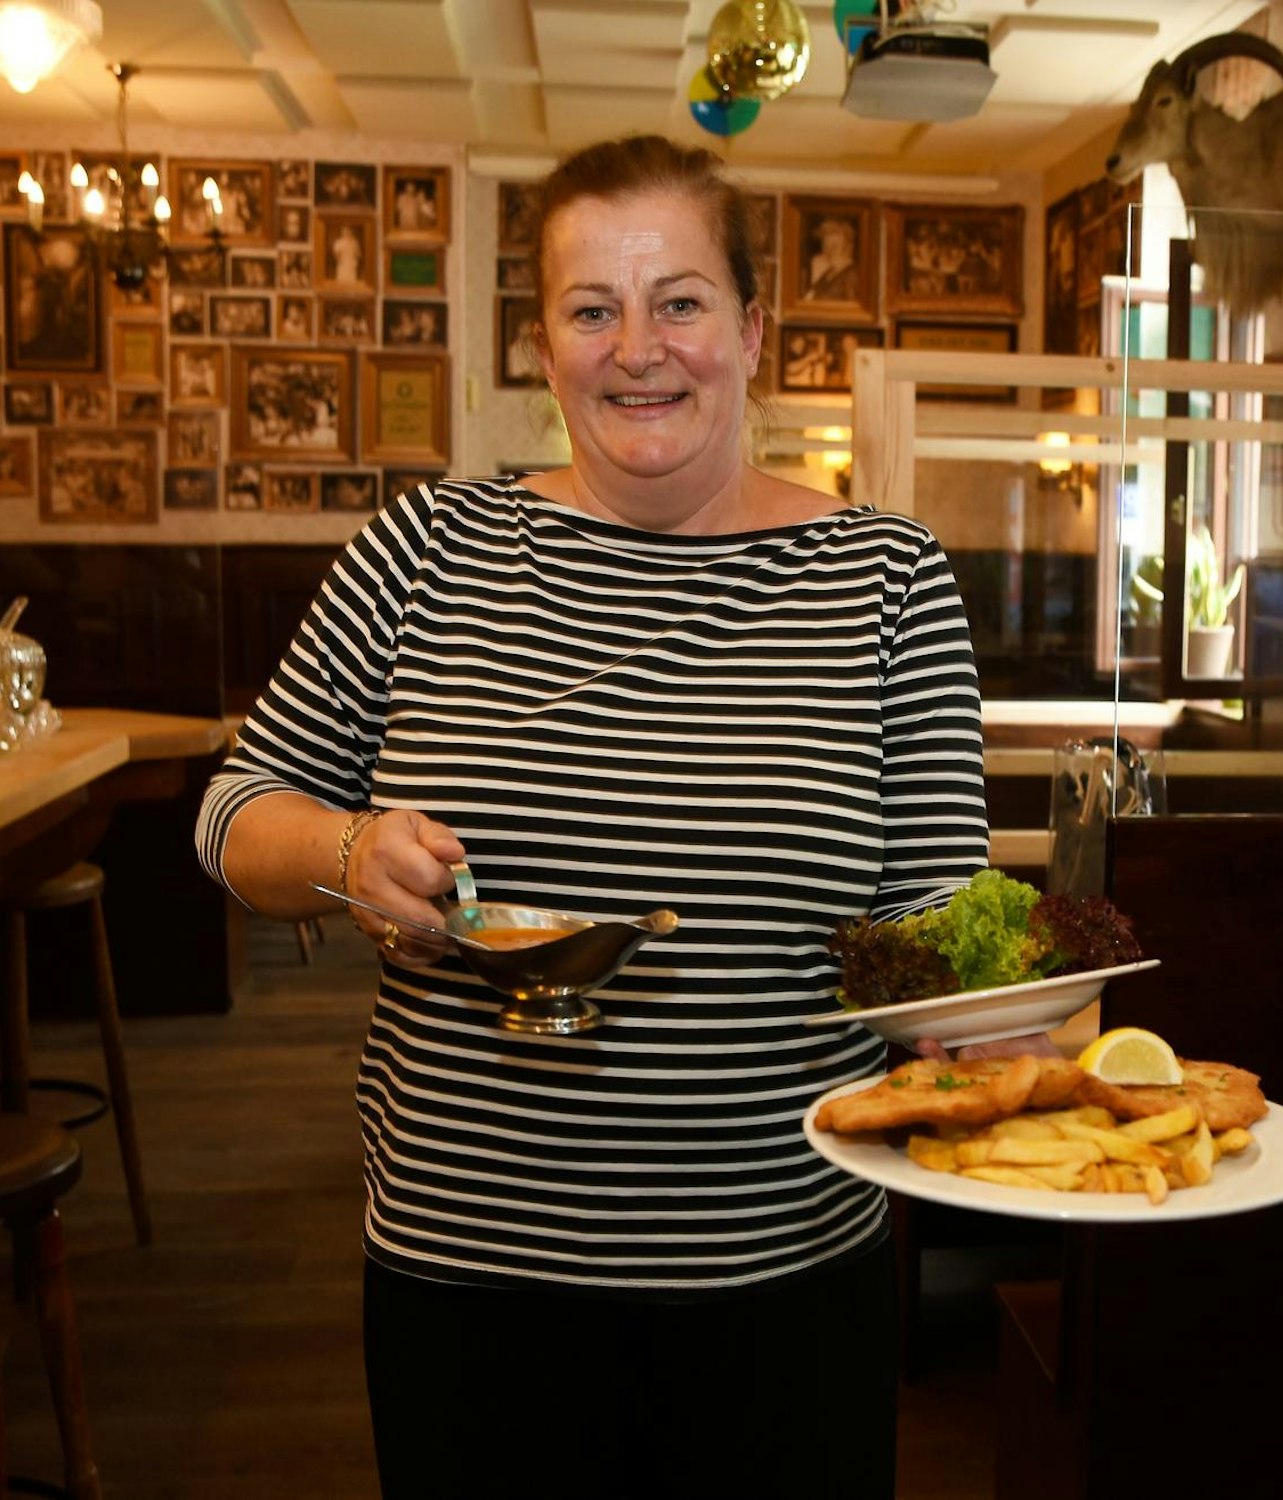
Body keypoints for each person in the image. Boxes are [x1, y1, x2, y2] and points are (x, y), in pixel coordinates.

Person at [193, 133, 986, 1499]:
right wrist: (342, 855)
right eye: (591, 308)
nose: (639, 349)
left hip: (783, 1276)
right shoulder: (423, 549)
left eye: (679, 301)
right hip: (471, 1279)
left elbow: (930, 933)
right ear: (542, 344)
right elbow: (230, 813)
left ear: (750, 329)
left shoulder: (886, 580)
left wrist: (1005, 1035)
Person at [803, 216, 858, 301]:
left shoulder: (852, 275)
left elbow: (853, 310)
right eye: (824, 236)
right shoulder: (827, 272)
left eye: (832, 234)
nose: (825, 241)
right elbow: (809, 299)